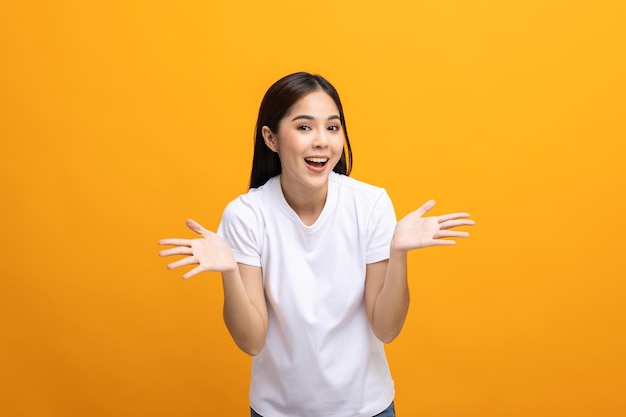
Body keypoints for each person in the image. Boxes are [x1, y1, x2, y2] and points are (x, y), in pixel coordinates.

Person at [159, 72, 474, 417]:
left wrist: (398, 254)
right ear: (271, 138)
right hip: (276, 411)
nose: (322, 141)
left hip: (367, 408)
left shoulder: (370, 204)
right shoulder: (246, 215)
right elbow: (251, 341)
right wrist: (231, 272)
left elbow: (386, 329)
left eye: (333, 127)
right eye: (304, 127)